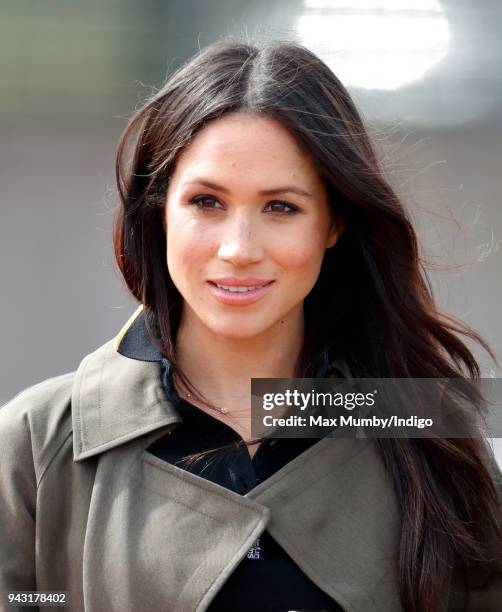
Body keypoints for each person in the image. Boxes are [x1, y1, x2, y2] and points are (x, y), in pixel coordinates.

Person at [0, 39, 501, 612]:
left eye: (281, 207)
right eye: (207, 202)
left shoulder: (432, 438)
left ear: (334, 224)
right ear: (159, 211)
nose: (239, 249)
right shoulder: (35, 446)